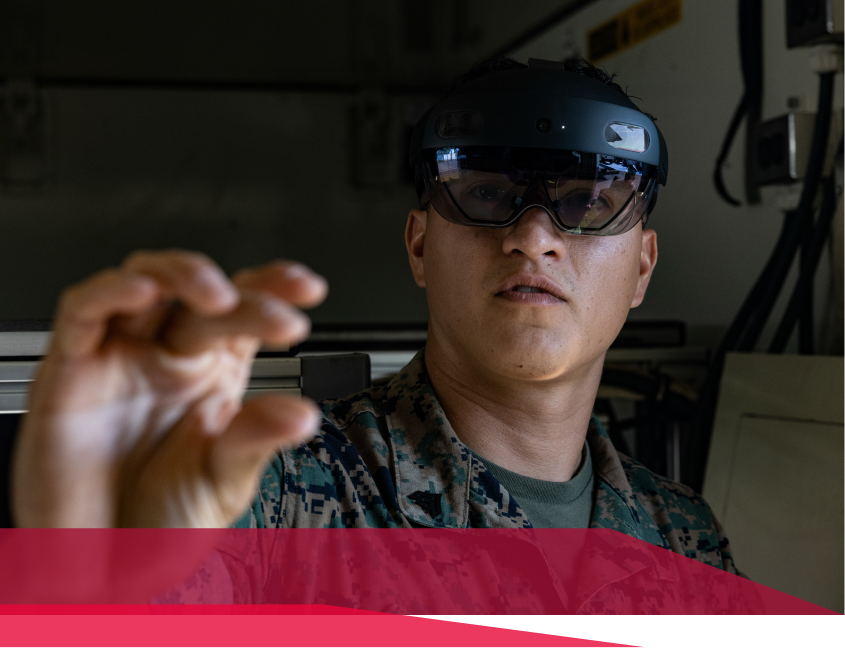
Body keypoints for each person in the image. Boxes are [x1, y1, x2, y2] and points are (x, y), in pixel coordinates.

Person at [9, 58, 743, 610]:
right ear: (419, 246)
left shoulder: (680, 536)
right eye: (486, 193)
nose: (532, 237)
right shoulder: (281, 492)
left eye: (587, 202)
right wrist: (82, 569)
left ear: (641, 267)